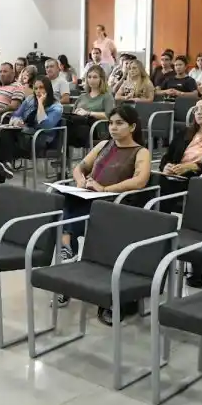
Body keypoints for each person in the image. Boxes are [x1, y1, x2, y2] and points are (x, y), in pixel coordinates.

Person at [55, 105, 151, 324]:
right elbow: (80, 167)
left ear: (132, 127)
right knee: (62, 199)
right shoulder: (103, 145)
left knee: (68, 214)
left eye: (119, 123)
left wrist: (105, 189)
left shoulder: (140, 152)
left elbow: (140, 181)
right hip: (90, 198)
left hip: (115, 204)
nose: (113, 128)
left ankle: (66, 251)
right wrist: (81, 181)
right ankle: (67, 252)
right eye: (111, 123)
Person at [158, 96, 202, 206]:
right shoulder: (184, 133)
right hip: (175, 175)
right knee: (151, 181)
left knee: (160, 188)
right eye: (196, 109)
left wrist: (193, 166)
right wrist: (165, 166)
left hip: (197, 179)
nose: (199, 112)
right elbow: (167, 156)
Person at [0, 76, 64, 181]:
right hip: (24, 134)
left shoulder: (56, 107)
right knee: (2, 133)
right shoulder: (30, 100)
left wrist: (40, 104)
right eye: (35, 88)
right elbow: (16, 114)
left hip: (40, 139)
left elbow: (45, 126)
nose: (38, 91)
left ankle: (3, 167)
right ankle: (5, 165)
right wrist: (17, 121)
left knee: (2, 142)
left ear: (48, 89)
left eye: (41, 88)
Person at [66, 65, 114, 149]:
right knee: (65, 124)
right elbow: (74, 114)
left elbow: (110, 115)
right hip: (80, 126)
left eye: (95, 77)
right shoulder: (82, 97)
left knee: (75, 130)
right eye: (89, 77)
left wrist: (88, 113)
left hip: (97, 129)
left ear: (101, 79)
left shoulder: (107, 97)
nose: (91, 80)